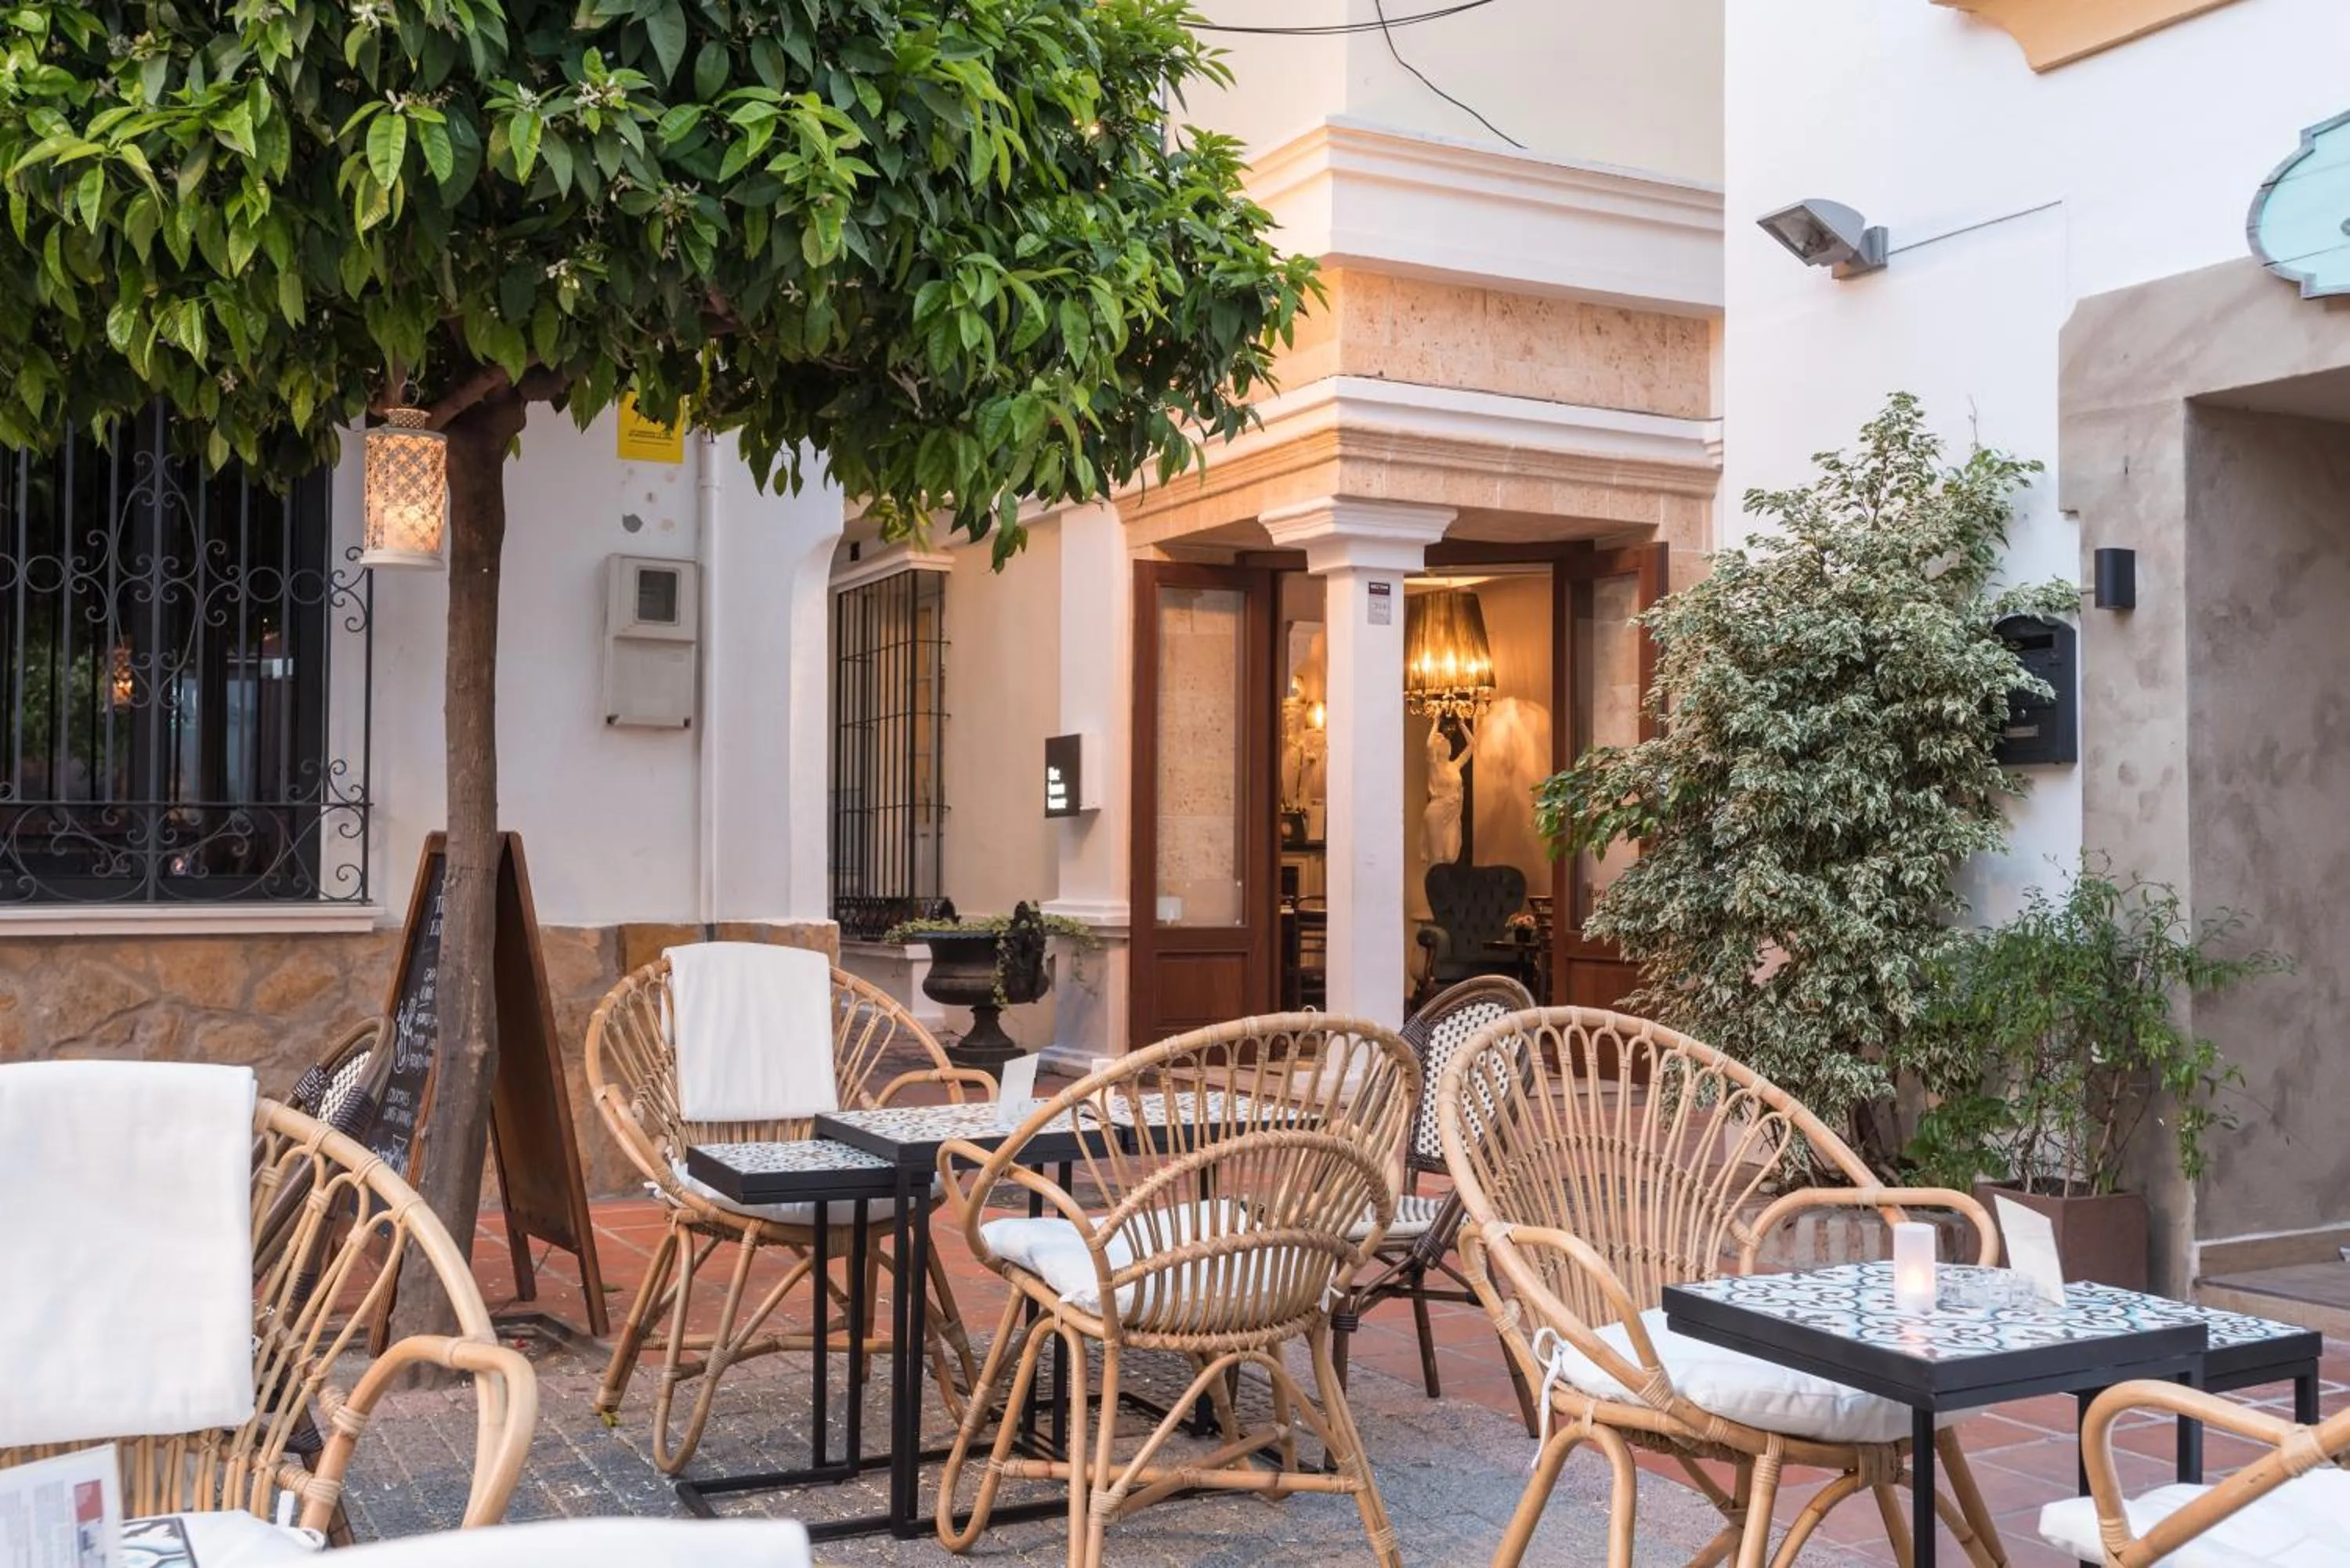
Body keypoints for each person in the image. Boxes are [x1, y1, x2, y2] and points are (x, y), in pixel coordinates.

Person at [1423, 718, 1466, 866]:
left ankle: (1445, 886)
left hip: (1452, 813)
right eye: (1441, 743)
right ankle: (1434, 887)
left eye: (1446, 743)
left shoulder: (1455, 765)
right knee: (1436, 857)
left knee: (1450, 855)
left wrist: (1462, 724)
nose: (1445, 744)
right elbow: (1428, 745)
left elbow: (1473, 745)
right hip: (1437, 811)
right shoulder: (1434, 765)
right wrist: (1435, 721)